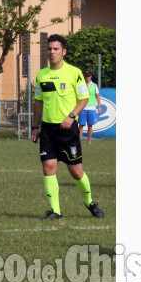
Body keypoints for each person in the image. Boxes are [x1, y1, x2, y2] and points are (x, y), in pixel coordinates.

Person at [31, 34, 104, 220]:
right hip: (48, 129)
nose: (52, 52)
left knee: (76, 171)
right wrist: (34, 126)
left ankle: (90, 203)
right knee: (48, 168)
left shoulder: (74, 72)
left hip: (68, 130)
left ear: (63, 52)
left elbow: (84, 98)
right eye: (49, 49)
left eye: (56, 49)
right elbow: (38, 102)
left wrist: (71, 117)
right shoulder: (41, 75)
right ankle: (55, 211)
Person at [78, 70, 102, 144]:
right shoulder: (82, 85)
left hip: (91, 109)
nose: (87, 77)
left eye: (88, 76)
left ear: (91, 76)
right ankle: (79, 142)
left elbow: (97, 97)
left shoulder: (94, 85)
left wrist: (99, 107)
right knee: (81, 126)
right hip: (82, 108)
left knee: (90, 126)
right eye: (86, 76)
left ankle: (89, 141)